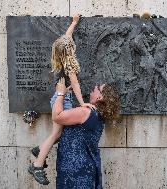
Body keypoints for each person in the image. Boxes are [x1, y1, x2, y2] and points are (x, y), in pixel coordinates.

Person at [28, 13, 95, 185]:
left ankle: (40, 150)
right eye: (72, 46)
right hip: (62, 100)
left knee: (58, 133)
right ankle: (36, 165)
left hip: (60, 97)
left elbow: (66, 38)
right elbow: (77, 85)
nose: (73, 45)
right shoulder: (70, 66)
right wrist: (83, 103)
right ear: (70, 50)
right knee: (56, 133)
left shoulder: (62, 56)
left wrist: (73, 23)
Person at [53, 78, 120, 188]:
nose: (93, 88)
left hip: (74, 172)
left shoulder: (86, 112)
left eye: (97, 88)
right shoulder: (98, 116)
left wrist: (60, 93)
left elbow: (56, 116)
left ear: (100, 97)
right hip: (85, 170)